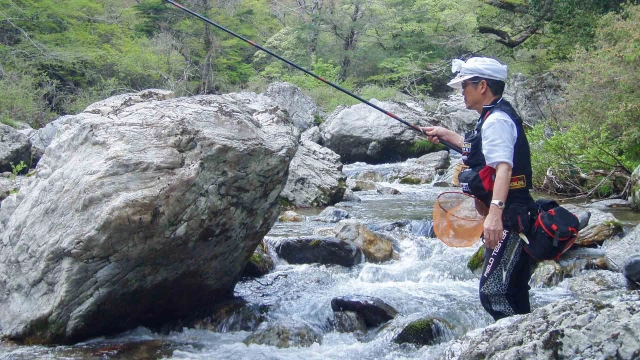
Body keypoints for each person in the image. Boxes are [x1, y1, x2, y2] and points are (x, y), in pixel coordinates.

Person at [421, 57, 536, 321]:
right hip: (510, 213)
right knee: (508, 290)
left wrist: (495, 215)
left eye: (465, 85)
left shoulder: (496, 121)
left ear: (482, 85)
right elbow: (485, 154)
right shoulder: (493, 116)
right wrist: (447, 135)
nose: (462, 91)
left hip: (509, 217)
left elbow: (504, 168)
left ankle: (517, 343)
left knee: (496, 293)